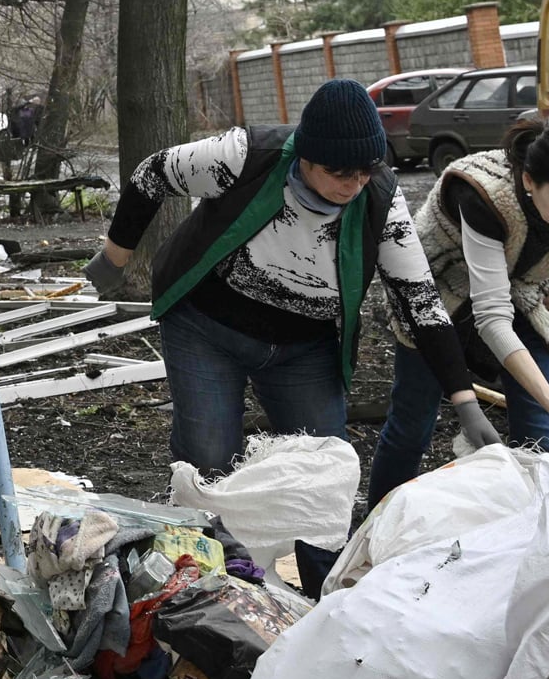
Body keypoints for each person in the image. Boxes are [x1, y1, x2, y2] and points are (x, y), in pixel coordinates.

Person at [87, 78, 493, 478]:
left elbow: (419, 301)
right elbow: (151, 174)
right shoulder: (245, 155)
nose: (353, 185)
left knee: (322, 468)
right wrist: (114, 257)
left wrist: (464, 399)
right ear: (306, 156)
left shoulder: (381, 199)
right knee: (209, 457)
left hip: (305, 347)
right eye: (339, 173)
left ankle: (320, 548)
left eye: (365, 171)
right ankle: (214, 542)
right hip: (206, 328)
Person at [365, 117, 549, 511]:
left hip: (525, 292)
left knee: (542, 435)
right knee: (413, 424)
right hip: (441, 292)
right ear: (530, 181)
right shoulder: (483, 194)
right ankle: (374, 527)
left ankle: (533, 540)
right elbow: (491, 316)